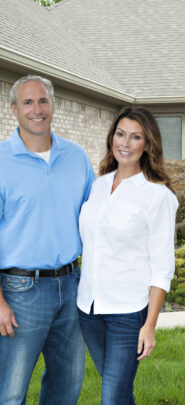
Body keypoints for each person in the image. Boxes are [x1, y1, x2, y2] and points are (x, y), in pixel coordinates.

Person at [0, 75, 95, 404]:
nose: (36, 109)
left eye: (43, 101)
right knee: (11, 391)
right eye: (28, 102)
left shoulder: (77, 157)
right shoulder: (1, 161)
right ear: (14, 109)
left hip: (71, 286)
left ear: (53, 105)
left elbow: (94, 221)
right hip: (19, 292)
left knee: (67, 386)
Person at [77, 106, 178, 405]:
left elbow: (162, 267)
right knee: (119, 393)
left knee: (111, 397)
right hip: (88, 309)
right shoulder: (97, 186)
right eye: (120, 134)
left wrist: (149, 325)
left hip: (128, 314)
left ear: (147, 145)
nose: (125, 143)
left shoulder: (158, 196)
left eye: (135, 137)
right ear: (111, 138)